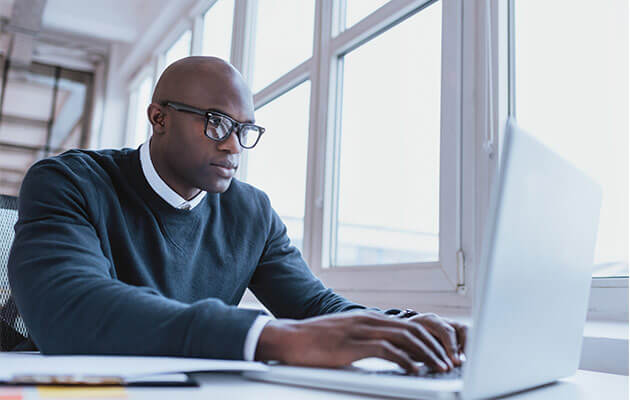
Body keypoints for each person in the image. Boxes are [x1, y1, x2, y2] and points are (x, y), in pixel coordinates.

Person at [8, 56, 465, 375]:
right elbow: (68, 309)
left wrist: (401, 326)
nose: (231, 145)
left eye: (244, 130)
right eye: (216, 122)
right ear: (158, 118)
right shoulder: (69, 181)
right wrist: (269, 337)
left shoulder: (253, 213)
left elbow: (314, 308)